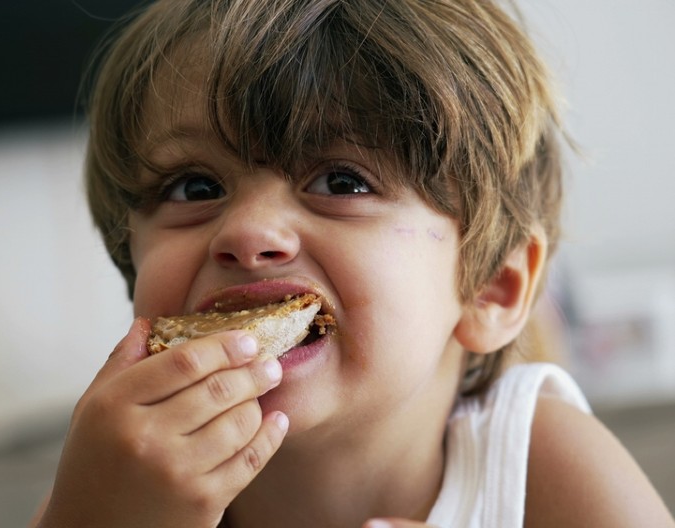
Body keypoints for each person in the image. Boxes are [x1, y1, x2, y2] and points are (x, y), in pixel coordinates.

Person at [34, 1, 675, 526]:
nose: (248, 231)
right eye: (195, 188)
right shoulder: (125, 488)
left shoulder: (539, 469)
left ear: (489, 290)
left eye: (342, 182)